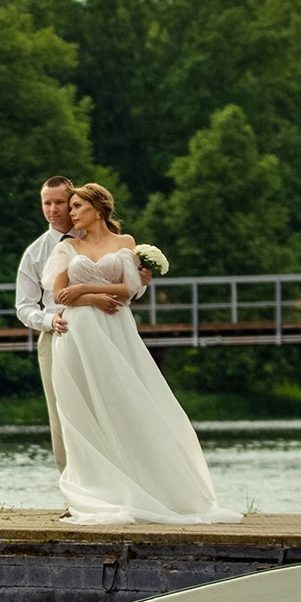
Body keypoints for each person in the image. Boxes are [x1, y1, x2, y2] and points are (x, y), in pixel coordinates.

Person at [46, 181, 241, 526]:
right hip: (78, 334)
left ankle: (147, 484)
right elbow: (61, 295)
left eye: (77, 206)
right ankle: (97, 489)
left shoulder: (125, 243)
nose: (70, 212)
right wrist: (90, 298)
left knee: (127, 401)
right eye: (70, 206)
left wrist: (88, 288)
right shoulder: (67, 247)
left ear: (98, 209)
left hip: (116, 329)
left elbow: (130, 288)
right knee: (83, 408)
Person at [12, 176, 77, 470]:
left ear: (72, 202)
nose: (52, 209)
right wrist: (50, 320)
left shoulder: (95, 240)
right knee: (60, 413)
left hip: (98, 331)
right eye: (46, 203)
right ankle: (73, 493)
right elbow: (24, 307)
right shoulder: (35, 252)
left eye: (59, 202)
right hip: (55, 337)